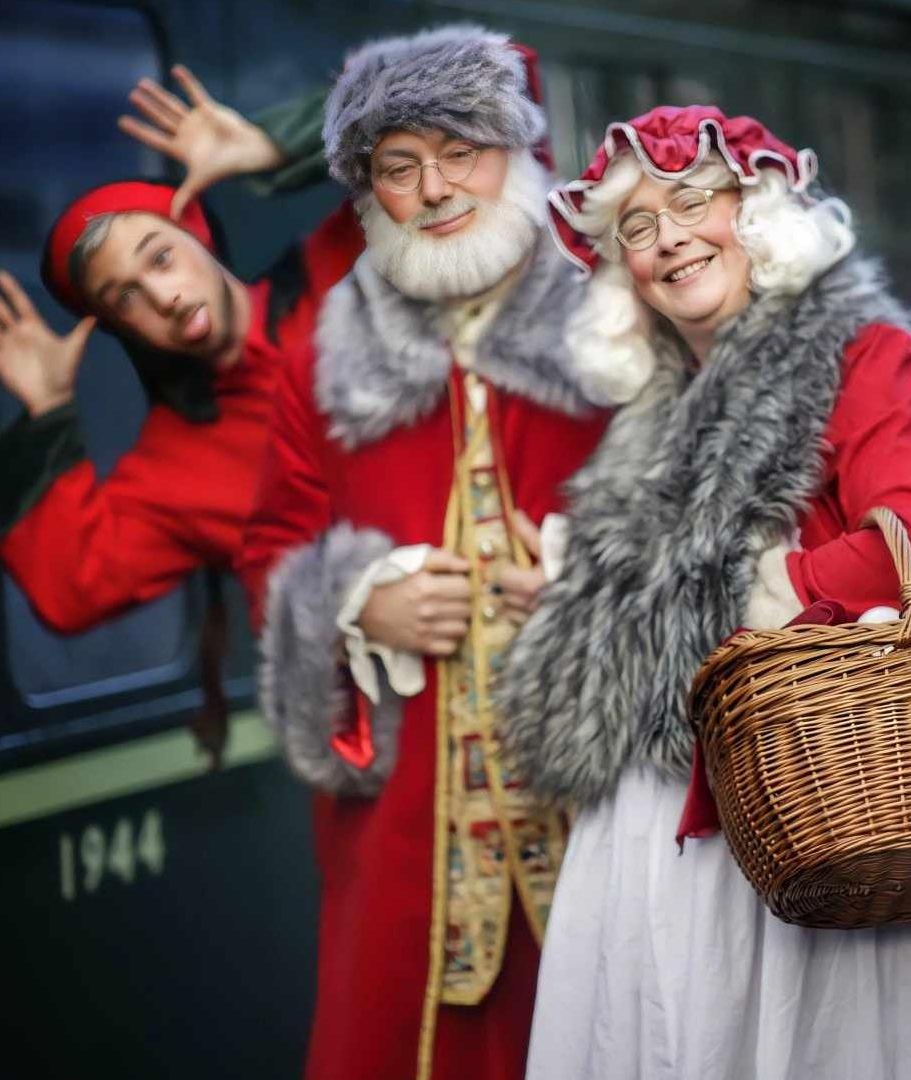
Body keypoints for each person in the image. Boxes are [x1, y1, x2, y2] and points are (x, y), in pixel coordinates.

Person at [496, 105, 911, 1080]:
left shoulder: (870, 358)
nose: (668, 238)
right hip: (655, 830)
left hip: (822, 805)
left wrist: (740, 591)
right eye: (637, 226)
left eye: (692, 202)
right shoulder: (648, 416)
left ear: (756, 214)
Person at [236, 25, 613, 1080]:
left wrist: (601, 581)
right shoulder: (320, 356)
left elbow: (713, 511)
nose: (436, 189)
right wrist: (359, 603)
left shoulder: (619, 317)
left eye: (461, 152)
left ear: (519, 154)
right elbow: (271, 545)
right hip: (410, 832)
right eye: (399, 168)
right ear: (368, 195)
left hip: (608, 807)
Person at [0, 154, 360, 757]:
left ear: (198, 231)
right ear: (119, 328)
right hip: (378, 731)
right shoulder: (173, 465)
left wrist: (277, 145)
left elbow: (465, 138)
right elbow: (73, 588)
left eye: (161, 258)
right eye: (124, 298)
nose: (163, 297)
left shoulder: (343, 265)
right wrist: (49, 414)